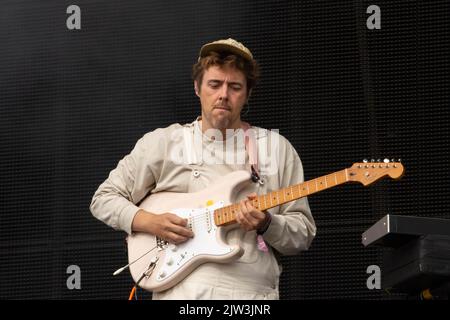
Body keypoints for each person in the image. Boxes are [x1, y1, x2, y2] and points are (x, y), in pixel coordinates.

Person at [90, 38, 316, 300]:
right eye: (214, 84)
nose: (223, 94)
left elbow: (302, 235)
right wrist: (151, 222)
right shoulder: (164, 142)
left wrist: (267, 223)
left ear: (248, 93)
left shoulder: (276, 148)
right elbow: (103, 199)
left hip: (253, 296)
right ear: (197, 88)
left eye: (235, 87)